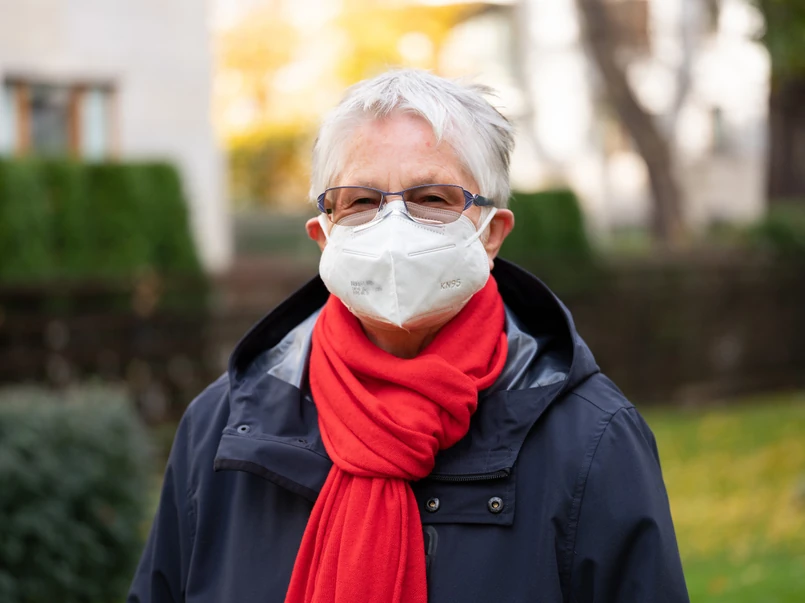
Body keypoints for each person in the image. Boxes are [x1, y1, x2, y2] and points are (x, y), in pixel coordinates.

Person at [128, 69, 689, 603]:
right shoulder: (220, 431)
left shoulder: (589, 441)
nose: (393, 228)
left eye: (432, 199)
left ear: (492, 233)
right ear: (323, 235)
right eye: (361, 201)